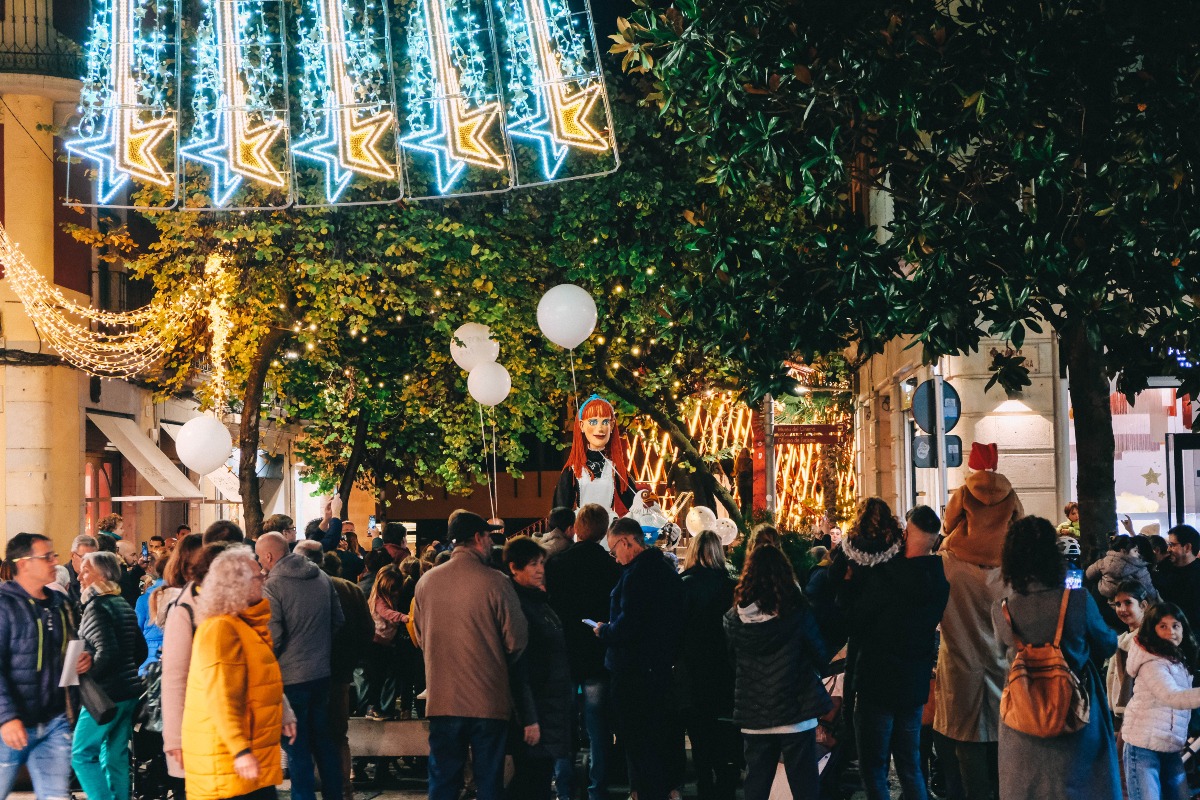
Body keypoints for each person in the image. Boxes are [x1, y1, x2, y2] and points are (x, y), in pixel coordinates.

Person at [992, 516, 1120, 799]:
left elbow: (1002, 653)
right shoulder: (1077, 601)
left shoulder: (1002, 609)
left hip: (1023, 716)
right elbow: (1108, 644)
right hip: (1077, 712)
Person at [412, 511, 529, 800]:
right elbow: (517, 640)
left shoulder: (426, 583)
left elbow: (420, 636)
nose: (491, 542)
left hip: (442, 699)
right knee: (489, 781)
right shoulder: (497, 583)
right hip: (488, 701)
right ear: (478, 538)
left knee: (443, 781)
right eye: (489, 536)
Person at [934, 443, 1023, 800]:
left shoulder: (946, 567)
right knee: (1007, 737)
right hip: (1007, 668)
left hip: (960, 667)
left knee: (964, 742)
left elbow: (946, 522)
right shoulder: (1016, 573)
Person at [848, 505, 949, 800]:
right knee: (910, 766)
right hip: (913, 684)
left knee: (875, 769)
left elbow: (857, 619)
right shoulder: (938, 581)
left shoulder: (887, 576)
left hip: (877, 683)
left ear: (906, 534)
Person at [182, 547, 298, 800]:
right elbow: (222, 697)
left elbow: (258, 681)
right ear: (238, 585)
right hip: (227, 764)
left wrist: (283, 711)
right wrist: (240, 750)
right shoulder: (221, 629)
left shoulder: (242, 625)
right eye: (259, 576)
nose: (264, 580)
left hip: (243, 760)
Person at [724, 543, 830, 800]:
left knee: (757, 784)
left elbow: (731, 660)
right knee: (805, 786)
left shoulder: (734, 620)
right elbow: (819, 654)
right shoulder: (797, 612)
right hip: (795, 711)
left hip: (754, 712)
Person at [593, 516, 684, 800]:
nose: (614, 556)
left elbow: (630, 623)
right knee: (659, 737)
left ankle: (646, 792)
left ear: (626, 542)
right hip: (658, 667)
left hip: (633, 671)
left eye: (614, 549)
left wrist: (604, 630)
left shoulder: (636, 576)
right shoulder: (665, 570)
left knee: (638, 739)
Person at [0, 533, 93, 799]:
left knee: (55, 796)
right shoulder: (4, 606)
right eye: (46, 557)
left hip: (54, 722)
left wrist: (83, 658)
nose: (55, 561)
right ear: (24, 563)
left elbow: (71, 647)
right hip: (10, 724)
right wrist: (6, 719)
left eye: (53, 555)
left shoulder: (60, 604)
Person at [256, 532, 345, 800]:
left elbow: (272, 636)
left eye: (260, 557)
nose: (260, 563)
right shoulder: (321, 577)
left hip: (290, 678)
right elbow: (338, 620)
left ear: (269, 556)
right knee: (324, 744)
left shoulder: (272, 586)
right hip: (321, 673)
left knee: (297, 748)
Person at [545, 502, 621, 800]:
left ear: (576, 528)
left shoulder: (557, 565)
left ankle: (564, 787)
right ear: (604, 532)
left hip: (564, 655)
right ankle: (597, 788)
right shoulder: (611, 567)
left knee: (563, 725)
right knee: (597, 727)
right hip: (597, 655)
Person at [299, 540, 373, 800]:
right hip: (339, 674)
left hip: (303, 675)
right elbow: (367, 631)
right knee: (338, 736)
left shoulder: (299, 589)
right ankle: (343, 791)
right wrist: (350, 663)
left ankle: (310, 790)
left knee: (305, 738)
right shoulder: (350, 590)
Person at [72, 550, 149, 800]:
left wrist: (89, 672)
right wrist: (126, 670)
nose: (79, 576)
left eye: (86, 570)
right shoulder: (122, 603)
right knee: (115, 755)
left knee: (82, 754)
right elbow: (140, 650)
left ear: (102, 575)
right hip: (128, 692)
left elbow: (106, 652)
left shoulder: (96, 606)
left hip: (104, 695)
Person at [506, 536, 573, 800]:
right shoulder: (520, 606)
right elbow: (520, 666)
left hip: (549, 706)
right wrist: (529, 718)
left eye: (541, 563)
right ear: (514, 568)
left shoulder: (537, 601)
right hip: (537, 707)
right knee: (531, 780)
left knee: (539, 777)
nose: (540, 570)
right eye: (532, 564)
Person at [676, 530, 739, 800]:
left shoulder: (684, 584)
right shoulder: (731, 585)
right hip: (725, 666)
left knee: (699, 726)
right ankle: (726, 780)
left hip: (693, 666)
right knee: (723, 725)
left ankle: (704, 781)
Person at [161, 537, 226, 780]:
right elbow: (175, 678)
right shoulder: (185, 609)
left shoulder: (234, 608)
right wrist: (175, 739)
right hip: (203, 723)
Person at [1121, 602, 1200, 800]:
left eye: (1175, 625)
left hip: (1170, 747)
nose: (1171, 631)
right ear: (1152, 629)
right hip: (1143, 748)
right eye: (1162, 626)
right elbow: (1172, 696)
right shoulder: (1152, 663)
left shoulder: (1178, 660)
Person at [553, 394, 637, 518]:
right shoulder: (573, 469)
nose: (600, 428)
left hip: (607, 530)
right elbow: (559, 513)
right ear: (582, 426)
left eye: (605, 422)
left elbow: (637, 504)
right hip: (581, 530)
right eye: (593, 421)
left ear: (612, 425)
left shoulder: (615, 469)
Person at [1107, 582, 1151, 732]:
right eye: (1118, 604)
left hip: (1138, 720)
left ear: (1143, 605)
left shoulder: (1148, 642)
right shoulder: (1122, 641)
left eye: (1128, 602)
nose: (1122, 609)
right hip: (1122, 717)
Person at [365, 564, 406, 720]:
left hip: (383, 643)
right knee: (377, 678)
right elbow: (386, 613)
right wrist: (403, 617)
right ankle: (373, 708)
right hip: (377, 643)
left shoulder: (382, 595)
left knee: (381, 677)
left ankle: (377, 707)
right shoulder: (379, 599)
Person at [1154, 524, 1200, 631]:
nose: (1168, 549)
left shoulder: (1197, 576)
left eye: (1172, 545)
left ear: (1187, 547)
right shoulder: (1164, 567)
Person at [1086, 535, 1158, 600]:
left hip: (1103, 597)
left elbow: (1089, 574)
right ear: (1124, 551)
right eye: (1135, 551)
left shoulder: (1104, 561)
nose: (1138, 554)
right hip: (1127, 601)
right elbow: (1149, 591)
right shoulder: (1139, 568)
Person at [67, 533, 100, 611]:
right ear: (72, 555)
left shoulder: (99, 576)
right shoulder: (62, 577)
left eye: (93, 558)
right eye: (84, 558)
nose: (89, 562)